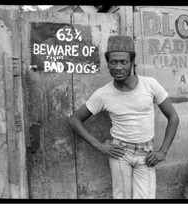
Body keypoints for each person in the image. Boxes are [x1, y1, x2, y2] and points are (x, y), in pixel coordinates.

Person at [69, 35, 179, 199]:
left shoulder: (150, 85)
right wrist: (100, 146)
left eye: (123, 62)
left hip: (146, 155)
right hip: (120, 154)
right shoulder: (103, 94)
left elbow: (173, 117)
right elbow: (75, 120)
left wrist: (163, 151)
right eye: (113, 62)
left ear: (132, 63)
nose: (118, 67)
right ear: (108, 64)